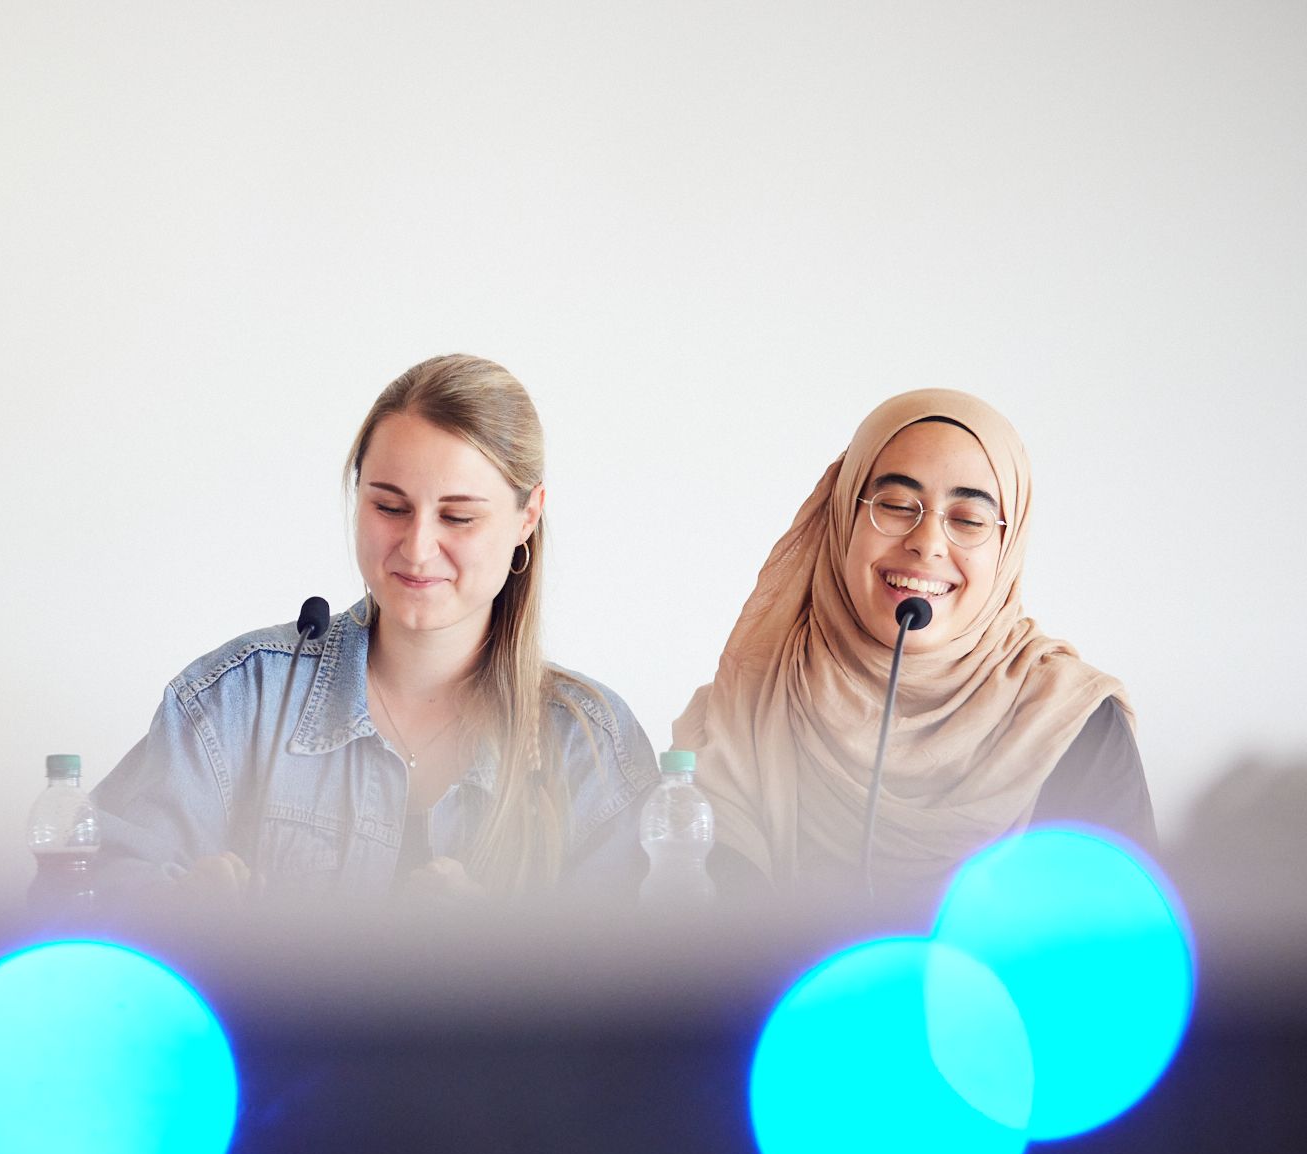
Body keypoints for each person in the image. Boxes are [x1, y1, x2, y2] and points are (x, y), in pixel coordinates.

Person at [92, 353, 657, 901]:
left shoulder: (591, 747)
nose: (417, 548)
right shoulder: (237, 701)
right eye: (389, 507)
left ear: (527, 517)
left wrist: (493, 950)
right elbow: (85, 891)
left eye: (458, 517)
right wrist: (178, 917)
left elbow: (641, 960)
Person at [671, 388, 1149, 901]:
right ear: (843, 517)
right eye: (897, 506)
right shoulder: (745, 707)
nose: (927, 543)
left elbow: (1123, 935)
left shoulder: (1069, 723)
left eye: (968, 520)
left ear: (1007, 547)